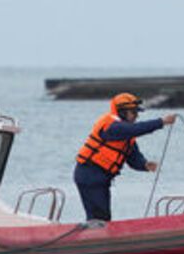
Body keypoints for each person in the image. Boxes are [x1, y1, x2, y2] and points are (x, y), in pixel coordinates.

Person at [74, 92, 176, 221]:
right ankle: (95, 232)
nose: (136, 116)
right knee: (99, 217)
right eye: (133, 112)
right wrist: (161, 122)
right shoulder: (111, 126)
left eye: (137, 112)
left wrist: (144, 164)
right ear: (122, 112)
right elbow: (135, 129)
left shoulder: (126, 134)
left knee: (102, 217)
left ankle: (97, 231)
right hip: (89, 174)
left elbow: (133, 158)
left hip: (101, 178)